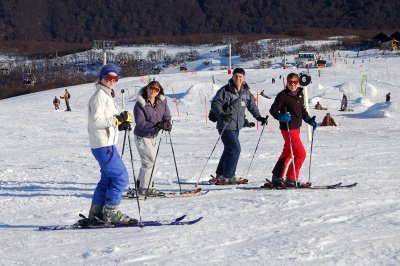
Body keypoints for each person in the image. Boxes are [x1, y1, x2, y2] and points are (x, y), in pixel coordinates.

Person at [87, 65, 137, 225]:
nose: (112, 81)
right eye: (109, 78)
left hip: (104, 144)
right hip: (104, 145)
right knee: (121, 177)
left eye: (115, 79)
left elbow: (107, 119)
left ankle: (96, 212)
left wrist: (119, 123)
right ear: (101, 78)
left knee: (107, 179)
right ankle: (111, 213)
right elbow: (96, 122)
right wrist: (116, 120)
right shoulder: (100, 96)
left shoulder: (107, 96)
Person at [210, 68, 268, 184]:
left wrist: (259, 117)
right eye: (236, 76)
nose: (238, 78)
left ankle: (221, 173)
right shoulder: (225, 90)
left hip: (236, 126)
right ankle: (229, 175)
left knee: (229, 149)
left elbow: (252, 107)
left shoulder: (246, 92)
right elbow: (215, 103)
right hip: (225, 124)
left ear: (244, 78)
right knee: (235, 149)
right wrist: (222, 114)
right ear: (232, 77)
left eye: (240, 76)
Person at [266, 73, 317, 188]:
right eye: (290, 82)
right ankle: (291, 178)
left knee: (288, 152)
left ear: (298, 82)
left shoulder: (300, 94)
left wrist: (308, 119)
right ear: (287, 83)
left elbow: (302, 110)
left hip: (296, 128)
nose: (293, 85)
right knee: (301, 154)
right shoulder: (282, 95)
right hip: (288, 129)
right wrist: (280, 116)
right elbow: (273, 110)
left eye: (295, 82)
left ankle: (277, 176)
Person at [129, 80, 172, 196]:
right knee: (151, 162)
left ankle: (141, 185)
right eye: (151, 88)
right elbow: (140, 123)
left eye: (156, 89)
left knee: (148, 162)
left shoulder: (162, 102)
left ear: (159, 91)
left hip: (153, 136)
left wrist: (167, 123)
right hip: (142, 136)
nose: (153, 91)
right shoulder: (140, 104)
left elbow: (166, 116)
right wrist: (157, 125)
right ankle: (145, 188)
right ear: (147, 89)